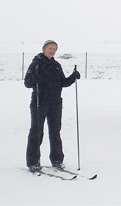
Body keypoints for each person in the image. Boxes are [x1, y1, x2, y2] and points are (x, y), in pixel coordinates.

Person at [24, 40, 80, 172]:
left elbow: (63, 83)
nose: (52, 50)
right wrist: (34, 80)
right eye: (50, 48)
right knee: (37, 132)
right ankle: (33, 162)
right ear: (44, 49)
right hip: (40, 102)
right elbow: (27, 83)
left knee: (55, 131)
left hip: (55, 103)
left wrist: (73, 77)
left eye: (54, 49)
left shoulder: (56, 65)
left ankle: (57, 160)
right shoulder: (36, 64)